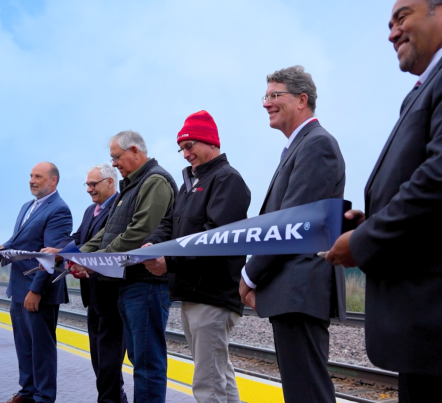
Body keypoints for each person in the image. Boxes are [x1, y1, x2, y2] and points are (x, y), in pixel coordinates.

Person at [325, 1, 442, 402]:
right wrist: (366, 223)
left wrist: (364, 242)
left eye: (401, 17)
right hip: (436, 337)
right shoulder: (431, 85)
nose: (391, 32)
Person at [238, 66, 346, 403]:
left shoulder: (317, 145)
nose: (266, 103)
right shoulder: (301, 146)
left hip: (300, 289)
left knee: (307, 393)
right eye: (265, 96)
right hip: (291, 291)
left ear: (302, 99)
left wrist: (249, 276)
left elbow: (291, 224)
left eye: (274, 95)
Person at [142, 110, 251, 403]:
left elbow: (214, 237)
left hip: (212, 293)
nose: (185, 153)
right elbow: (170, 223)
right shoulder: (190, 183)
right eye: (181, 148)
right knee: (219, 375)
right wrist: (153, 244)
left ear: (210, 141)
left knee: (207, 383)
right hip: (193, 291)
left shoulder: (227, 180)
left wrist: (170, 260)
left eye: (190, 146)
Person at [77, 131, 177, 403]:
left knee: (147, 363)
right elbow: (108, 232)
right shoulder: (131, 186)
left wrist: (100, 260)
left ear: (134, 150)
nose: (115, 163)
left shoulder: (154, 181)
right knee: (139, 359)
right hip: (129, 284)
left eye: (116, 157)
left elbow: (140, 232)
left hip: (146, 284)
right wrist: (80, 255)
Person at [41, 164, 127, 403]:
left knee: (109, 360)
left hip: (112, 293)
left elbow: (104, 246)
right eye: (87, 184)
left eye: (93, 184)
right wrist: (59, 252)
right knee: (99, 359)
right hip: (93, 294)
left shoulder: (120, 209)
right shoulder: (91, 211)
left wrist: (65, 253)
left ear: (111, 182)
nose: (89, 189)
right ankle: (116, 398)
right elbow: (79, 239)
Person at [0, 162, 72, 403]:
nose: (32, 180)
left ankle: (43, 398)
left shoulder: (59, 210)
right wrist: (3, 247)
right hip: (18, 288)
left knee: (42, 350)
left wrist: (36, 290)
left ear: (53, 181)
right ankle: (27, 393)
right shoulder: (28, 206)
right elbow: (22, 241)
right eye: (31, 176)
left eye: (38, 176)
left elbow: (51, 256)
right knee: (24, 347)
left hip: (38, 290)